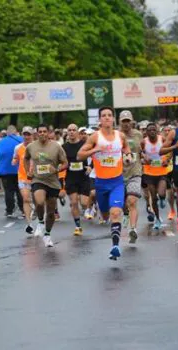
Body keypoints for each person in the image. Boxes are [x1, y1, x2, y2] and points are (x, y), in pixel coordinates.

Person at [78, 106, 132, 260]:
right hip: (101, 183)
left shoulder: (120, 136)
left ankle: (115, 246)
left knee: (116, 212)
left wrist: (128, 156)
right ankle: (104, 215)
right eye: (104, 115)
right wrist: (94, 151)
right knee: (106, 214)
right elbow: (80, 155)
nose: (107, 118)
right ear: (100, 119)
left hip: (117, 182)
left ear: (113, 118)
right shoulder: (95, 137)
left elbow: (126, 148)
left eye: (109, 115)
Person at [24, 124, 68, 247]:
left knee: (50, 212)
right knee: (39, 201)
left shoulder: (56, 147)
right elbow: (26, 158)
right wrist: (28, 171)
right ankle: (40, 221)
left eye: (44, 131)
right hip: (38, 179)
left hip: (53, 182)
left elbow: (65, 163)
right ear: (37, 133)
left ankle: (47, 235)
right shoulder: (31, 147)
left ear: (48, 133)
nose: (42, 133)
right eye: (40, 132)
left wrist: (57, 169)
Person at [119, 110, 144, 242]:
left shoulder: (138, 135)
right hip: (119, 174)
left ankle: (133, 229)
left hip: (135, 172)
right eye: (124, 121)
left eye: (128, 121)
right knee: (124, 203)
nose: (126, 124)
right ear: (120, 122)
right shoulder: (116, 135)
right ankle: (126, 213)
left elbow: (141, 150)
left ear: (132, 121)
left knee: (132, 201)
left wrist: (144, 157)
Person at [141, 123, 170, 232]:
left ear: (157, 131)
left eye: (154, 130)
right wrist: (144, 158)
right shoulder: (144, 142)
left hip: (161, 171)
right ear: (147, 132)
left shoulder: (162, 139)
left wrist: (167, 160)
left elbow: (170, 150)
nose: (152, 132)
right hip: (149, 172)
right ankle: (157, 219)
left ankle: (162, 198)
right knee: (153, 196)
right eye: (150, 130)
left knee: (161, 193)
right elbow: (140, 153)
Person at [62, 123, 90, 236]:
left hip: (83, 177)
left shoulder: (84, 145)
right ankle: (78, 226)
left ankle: (88, 209)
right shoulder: (64, 147)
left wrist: (90, 166)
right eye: (70, 130)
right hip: (71, 178)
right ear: (67, 133)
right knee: (74, 202)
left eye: (74, 130)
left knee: (83, 203)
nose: (72, 132)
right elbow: (60, 160)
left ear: (78, 132)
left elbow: (93, 157)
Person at [0, 125, 23, 218]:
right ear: (16, 132)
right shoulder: (21, 140)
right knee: (20, 190)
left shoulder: (0, 142)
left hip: (5, 171)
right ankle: (23, 210)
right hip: (19, 170)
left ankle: (9, 210)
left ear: (7, 133)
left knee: (8, 191)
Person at [12, 126, 35, 234]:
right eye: (25, 134)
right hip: (23, 177)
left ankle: (37, 212)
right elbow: (15, 158)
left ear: (32, 135)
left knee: (38, 201)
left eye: (28, 134)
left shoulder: (37, 146)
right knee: (26, 199)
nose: (26, 136)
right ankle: (29, 224)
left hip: (36, 178)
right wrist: (14, 160)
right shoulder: (18, 147)